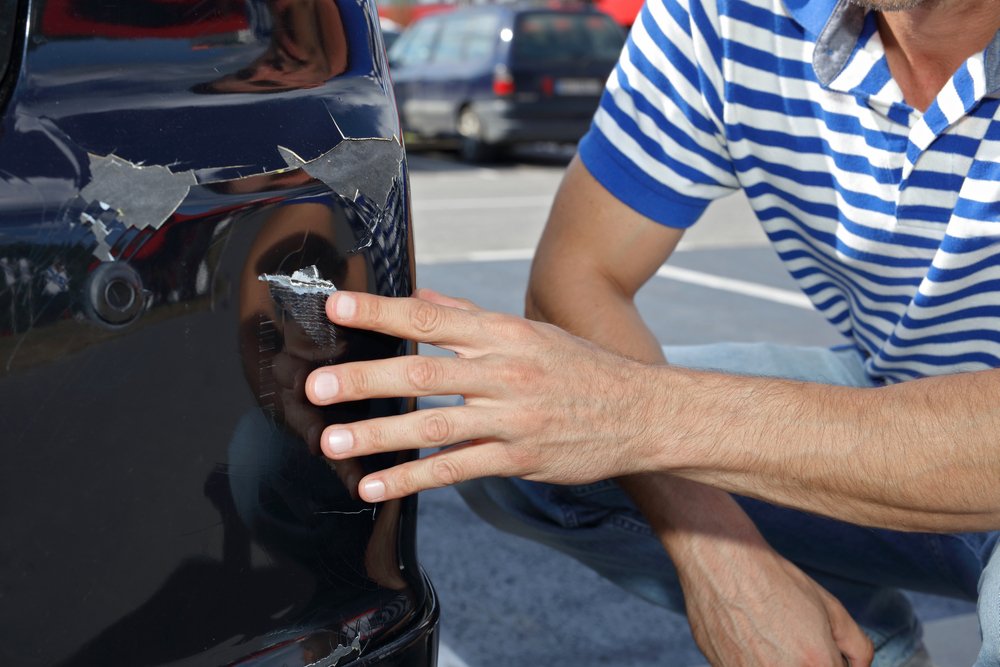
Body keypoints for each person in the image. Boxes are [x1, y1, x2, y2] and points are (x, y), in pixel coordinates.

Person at [304, 0, 1000, 664]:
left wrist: (637, 414)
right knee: (511, 433)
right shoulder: (726, 16)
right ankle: (864, 649)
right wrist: (724, 555)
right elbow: (579, 274)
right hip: (900, 392)